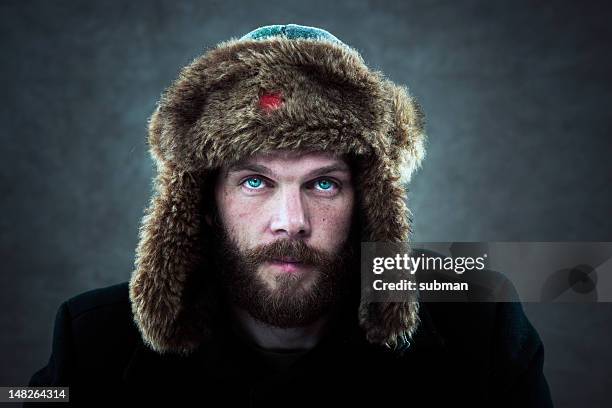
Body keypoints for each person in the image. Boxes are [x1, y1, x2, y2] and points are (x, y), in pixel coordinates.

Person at [27, 24, 553, 407]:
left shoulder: (479, 321)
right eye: (255, 182)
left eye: (324, 184)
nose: (291, 220)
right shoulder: (94, 337)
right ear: (204, 203)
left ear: (369, 202)